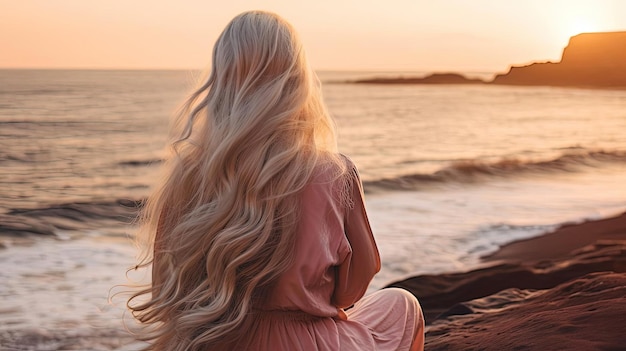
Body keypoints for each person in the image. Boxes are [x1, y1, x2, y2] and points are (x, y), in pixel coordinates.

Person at [128, 10, 424, 351]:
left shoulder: (187, 176)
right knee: (401, 305)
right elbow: (351, 291)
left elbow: (165, 291)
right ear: (297, 80)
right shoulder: (333, 172)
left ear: (222, 79)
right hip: (304, 343)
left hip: (211, 342)